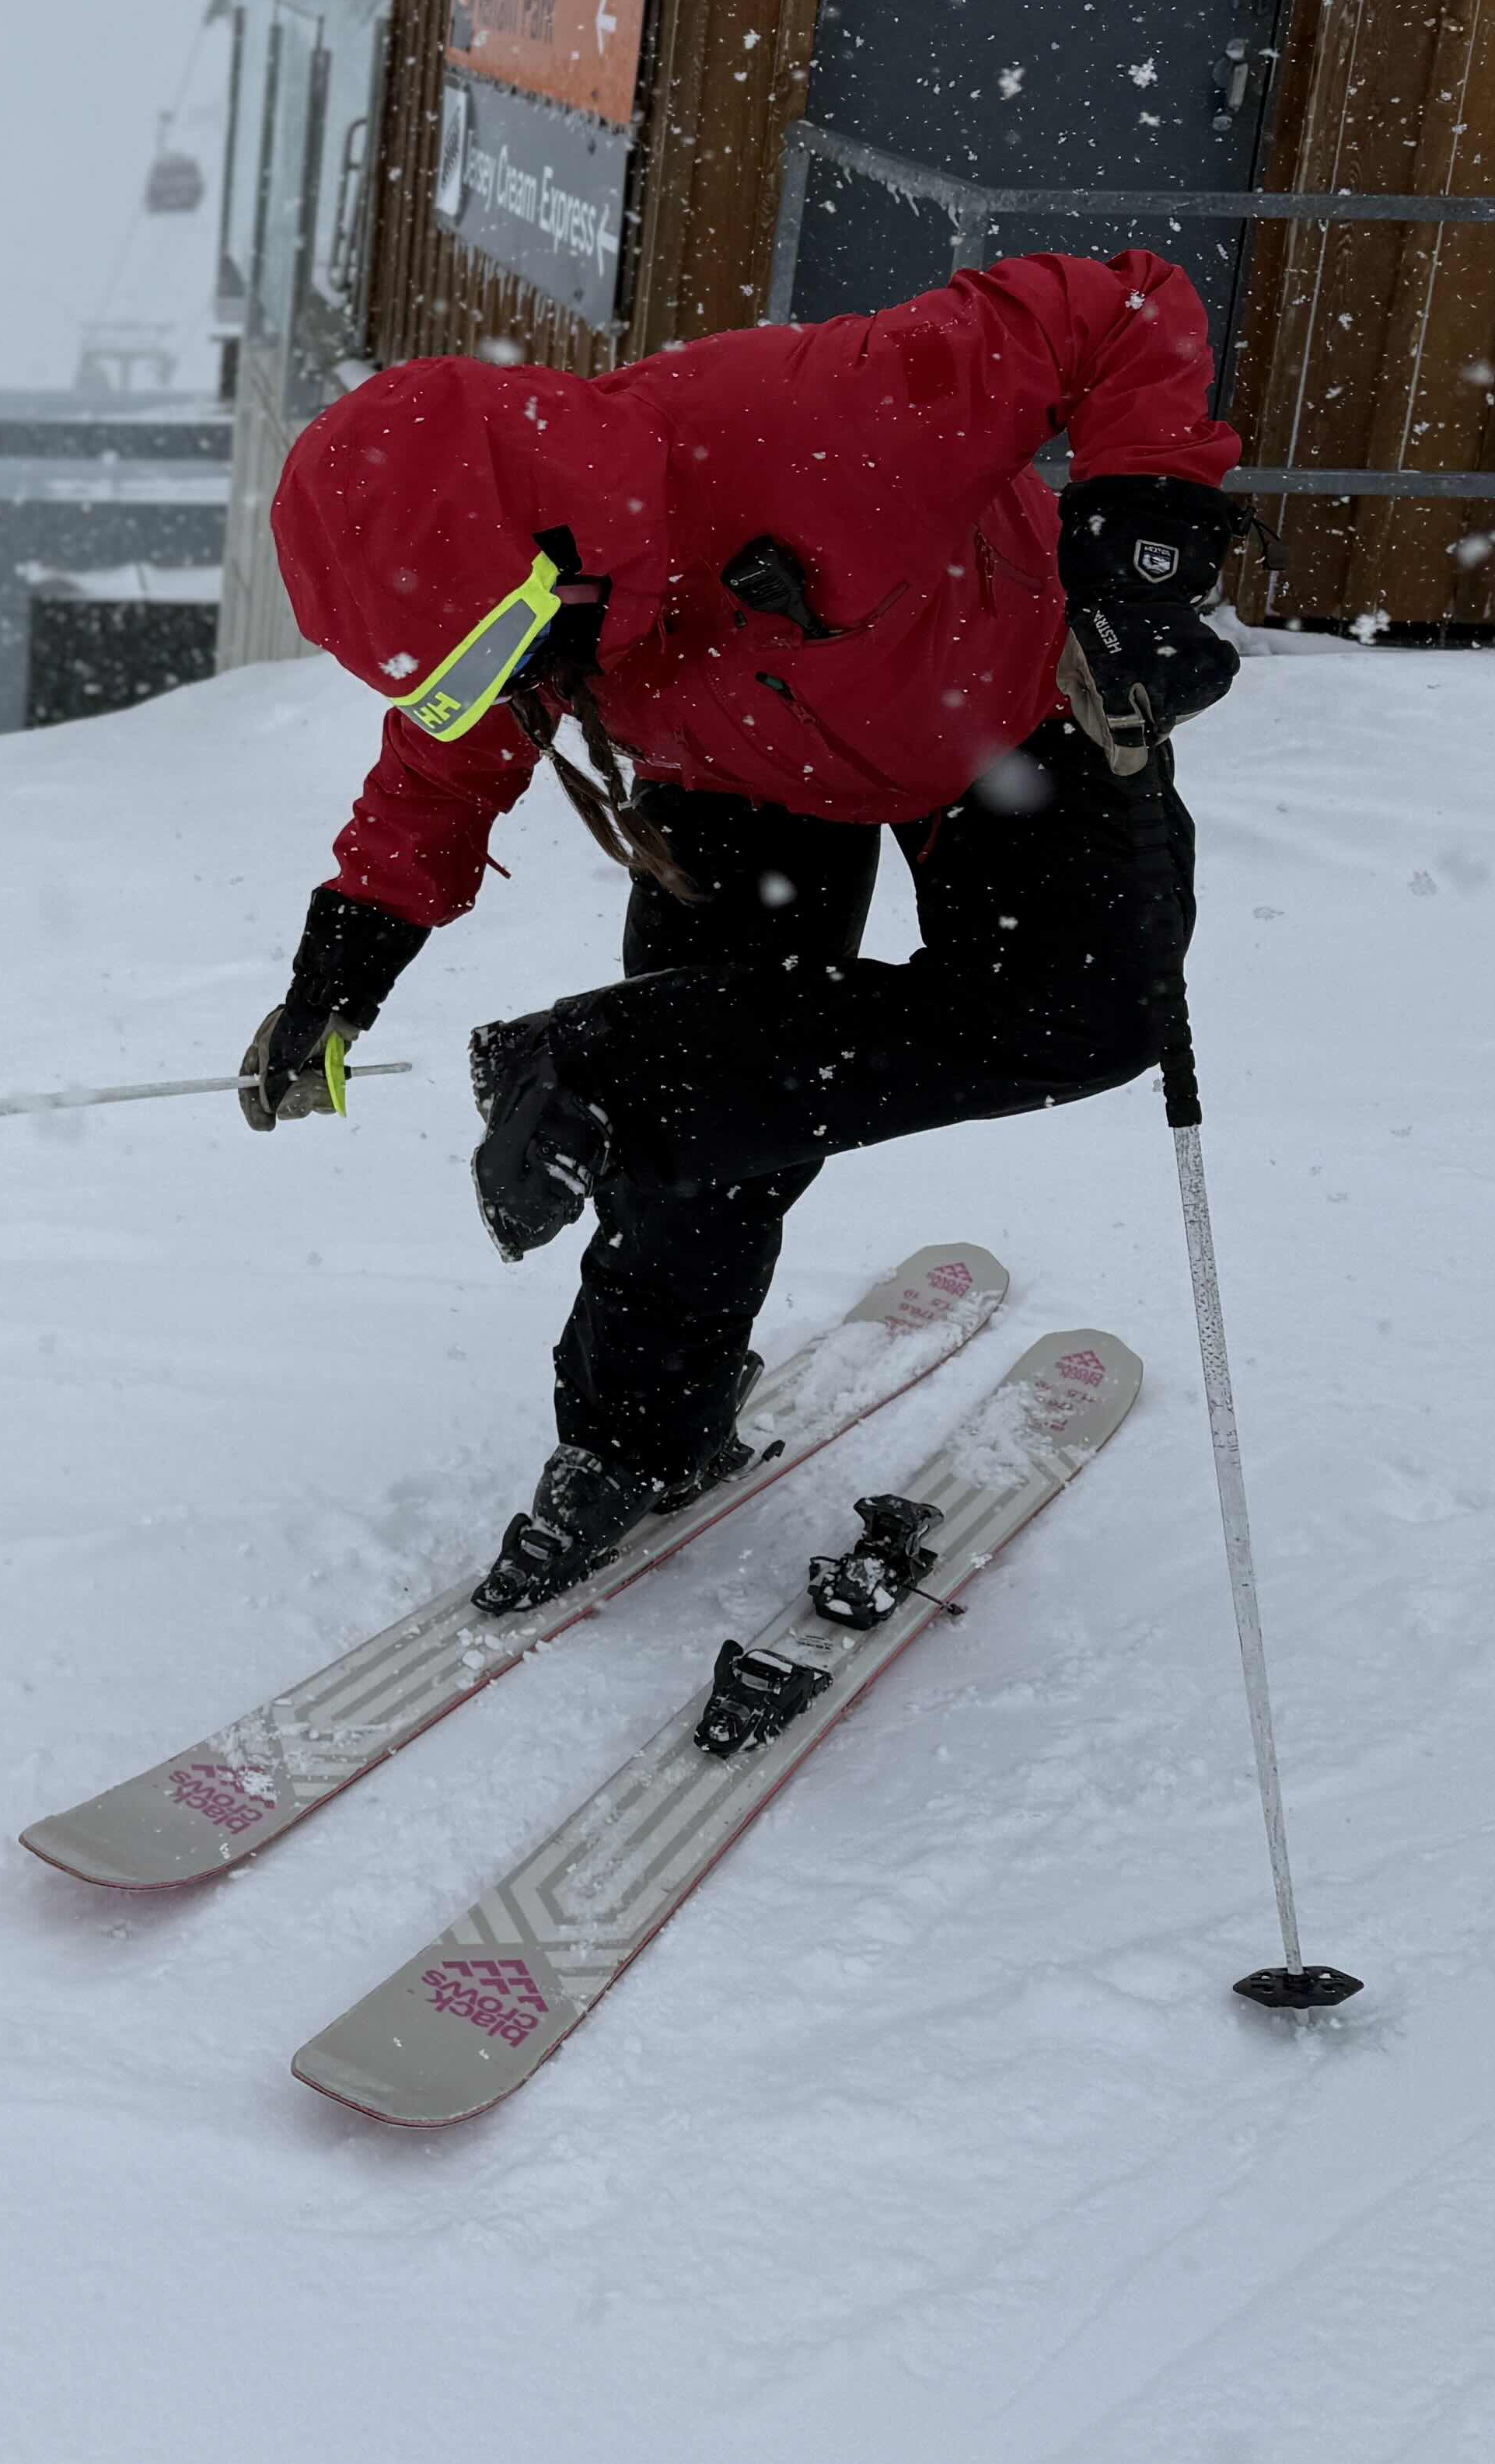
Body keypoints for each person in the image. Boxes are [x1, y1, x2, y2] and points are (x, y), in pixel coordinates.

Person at [234, 247, 1249, 1615]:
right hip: (739, 782)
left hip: (1008, 714)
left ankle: (599, 1060)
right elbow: (440, 768)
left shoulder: (826, 415)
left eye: (496, 650)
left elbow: (1123, 306)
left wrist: (1143, 550)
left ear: (557, 535)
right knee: (695, 1120)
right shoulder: (535, 623)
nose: (507, 688)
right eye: (465, 671)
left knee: (1090, 1018)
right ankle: (636, 1440)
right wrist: (337, 976)